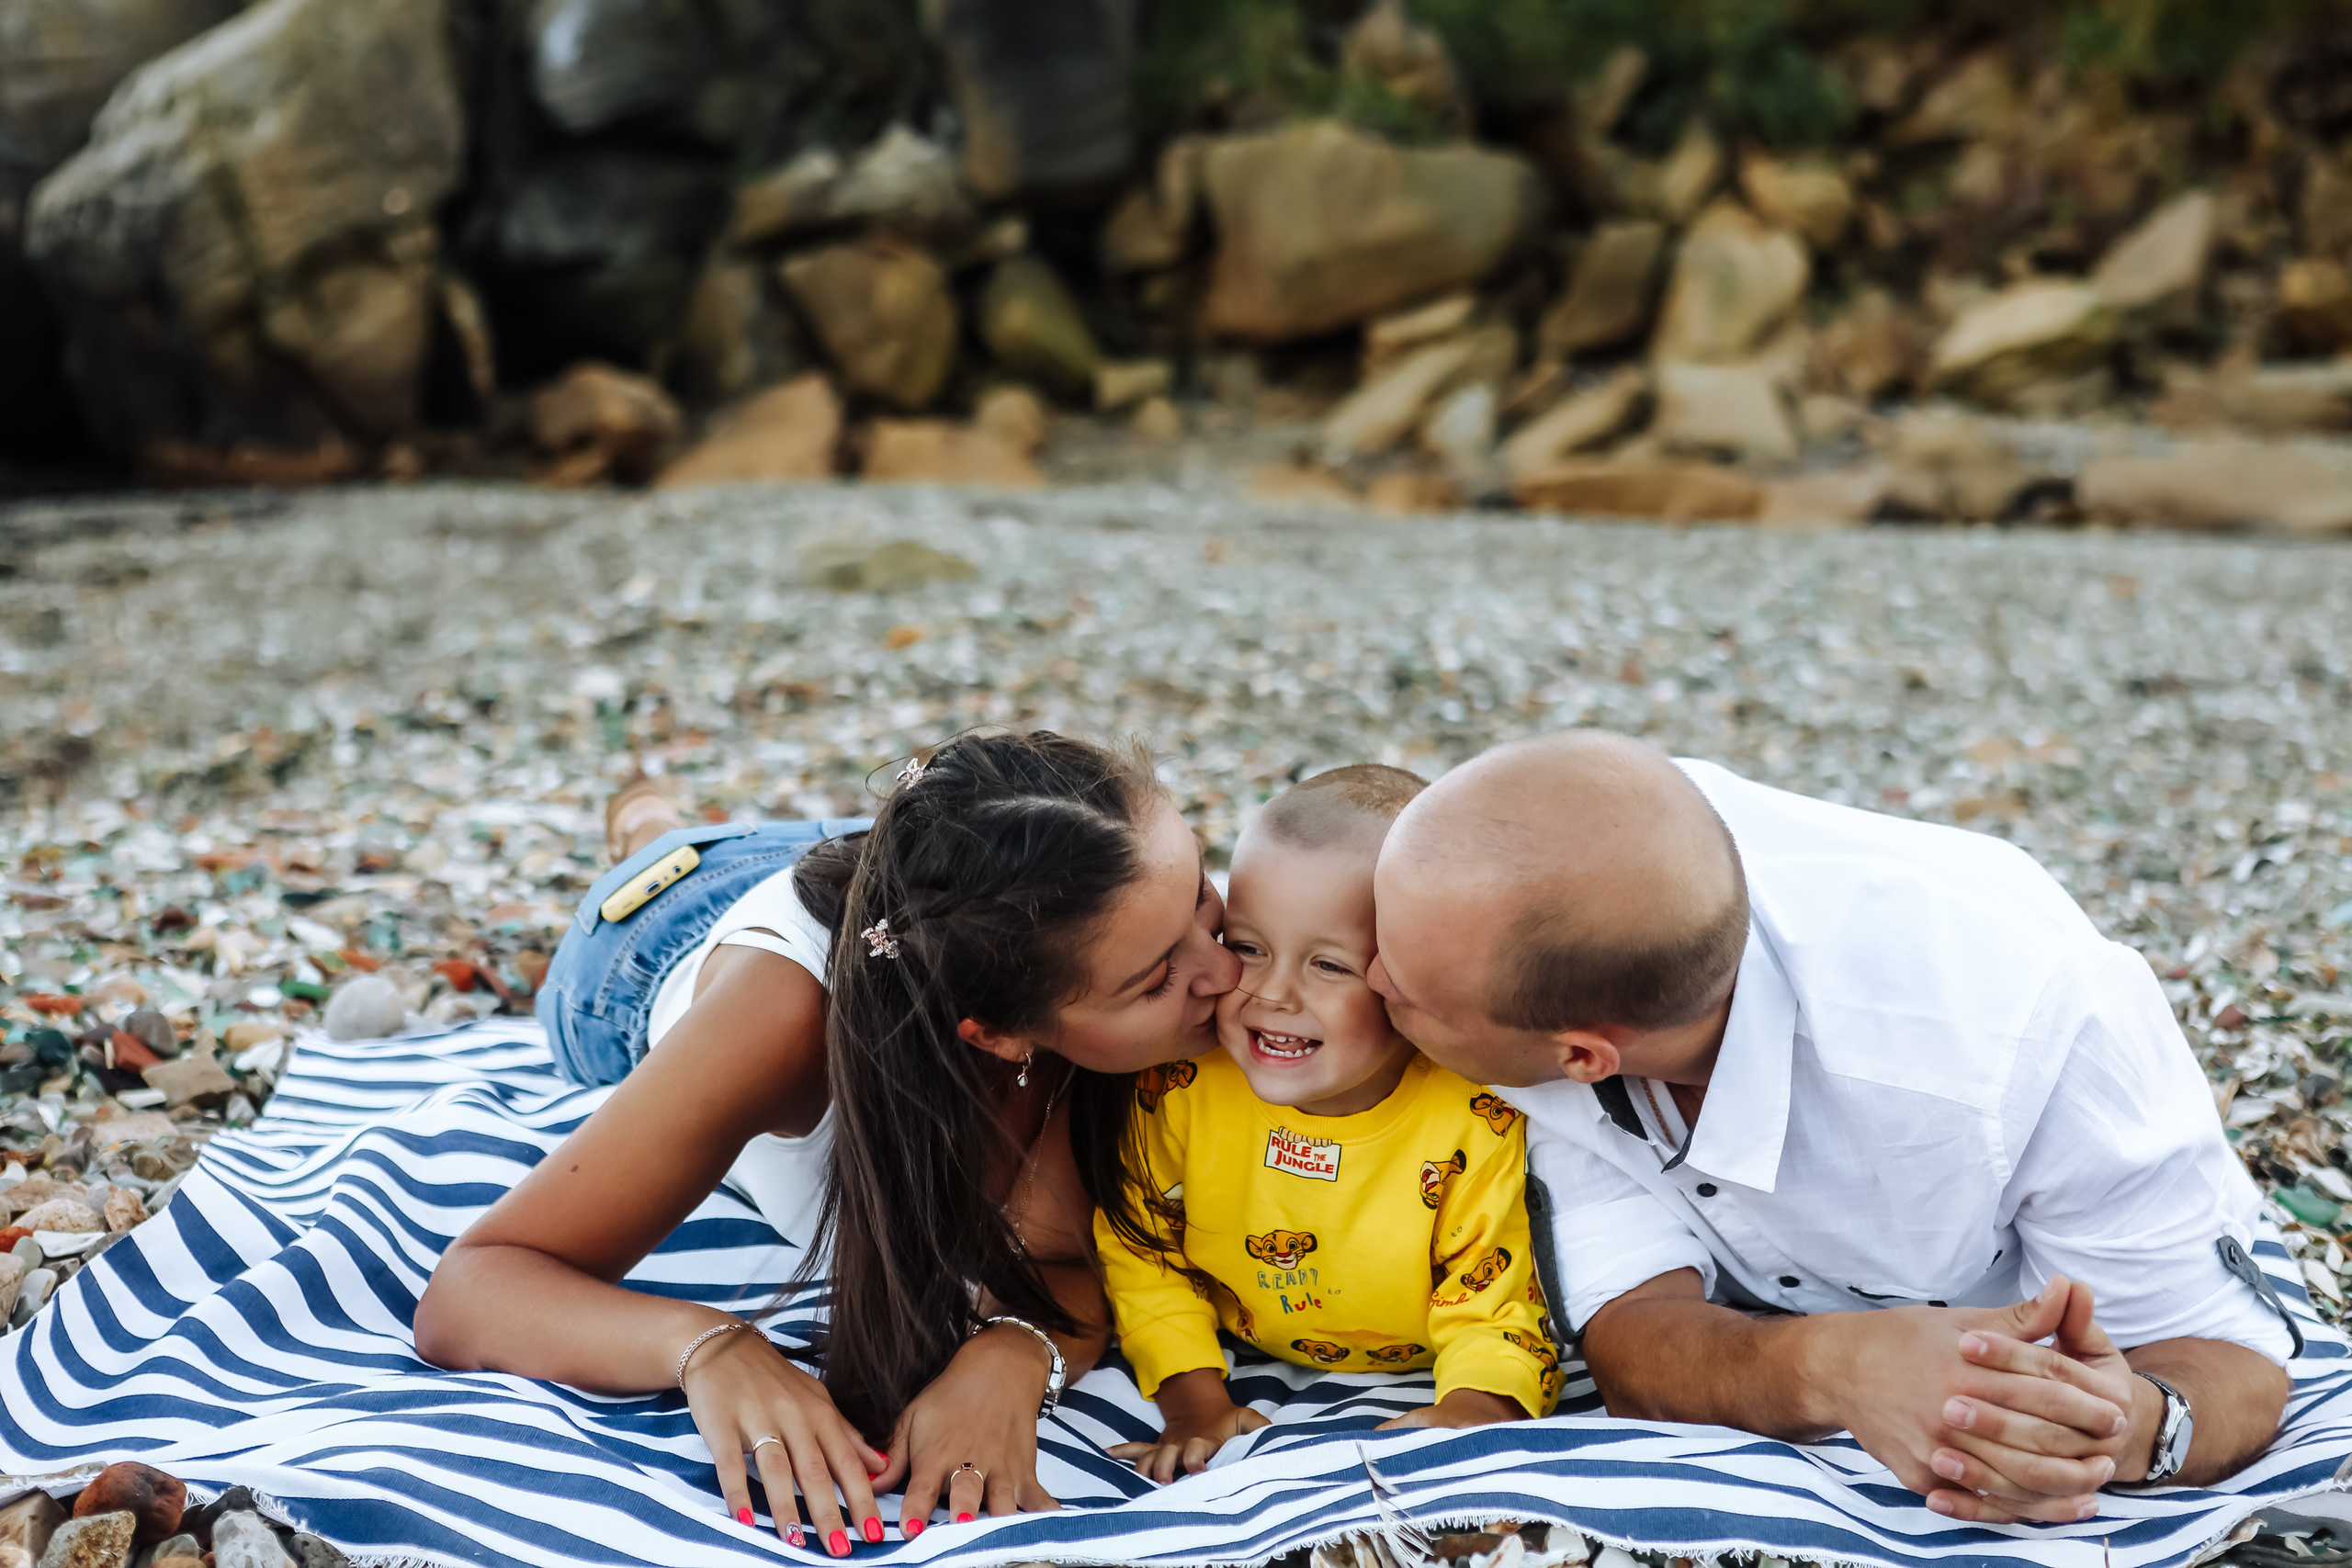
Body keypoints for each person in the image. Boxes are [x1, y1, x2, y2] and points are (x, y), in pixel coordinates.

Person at [1363, 730, 2298, 1526]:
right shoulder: (1549, 875)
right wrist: (1838, 1366)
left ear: (1583, 1057)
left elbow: (2231, 1365)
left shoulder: (2025, 1036)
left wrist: (2113, 1426)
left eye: (1402, 994)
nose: (1367, 986)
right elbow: (1634, 1344)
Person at [413, 730, 1240, 1553]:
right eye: (1160, 975)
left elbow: (1062, 1263)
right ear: (1000, 1036)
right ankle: (646, 820)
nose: (1231, 973)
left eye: (1205, 895)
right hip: (654, 930)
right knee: (662, 853)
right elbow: (472, 1289)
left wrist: (1012, 1353)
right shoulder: (778, 1022)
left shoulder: (1108, 901)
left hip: (896, 878)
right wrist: (710, 1346)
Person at [1097, 765, 1558, 1485]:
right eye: (1248, 946)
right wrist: (1191, 1397)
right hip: (1236, 1351)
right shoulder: (1181, 1088)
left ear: (1412, 981)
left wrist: (1474, 1405)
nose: (1273, 993)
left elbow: (1496, 1293)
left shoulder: (1476, 1118)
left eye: (1329, 964)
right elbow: (1141, 1249)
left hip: (1422, 1370)